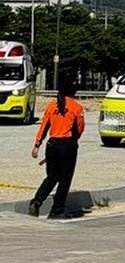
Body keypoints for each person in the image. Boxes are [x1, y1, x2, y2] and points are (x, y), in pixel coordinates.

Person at [29, 75, 85, 219]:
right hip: (68, 145)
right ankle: (57, 210)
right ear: (73, 92)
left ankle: (36, 202)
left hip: (52, 144)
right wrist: (74, 140)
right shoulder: (76, 107)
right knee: (65, 178)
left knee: (51, 177)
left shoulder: (51, 105)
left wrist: (37, 145)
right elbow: (79, 129)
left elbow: (44, 126)